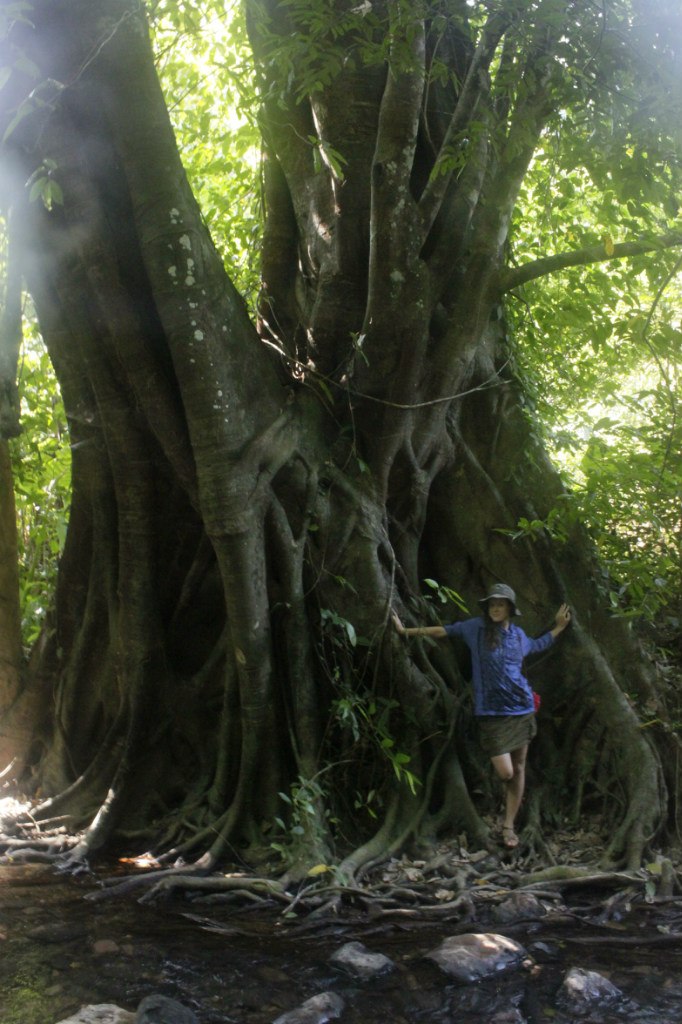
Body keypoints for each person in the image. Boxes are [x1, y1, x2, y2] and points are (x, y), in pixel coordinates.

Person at [393, 583, 571, 849]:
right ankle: (503, 809)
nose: (495, 609)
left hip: (522, 709)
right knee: (506, 771)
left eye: (500, 604)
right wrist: (405, 631)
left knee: (520, 767)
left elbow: (538, 645)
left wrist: (558, 627)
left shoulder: (519, 635)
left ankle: (508, 825)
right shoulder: (475, 628)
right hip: (490, 714)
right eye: (492, 605)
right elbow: (444, 631)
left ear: (510, 608)